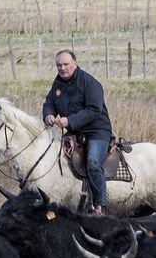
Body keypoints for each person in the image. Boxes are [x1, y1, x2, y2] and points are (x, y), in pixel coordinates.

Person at [42, 48, 111, 204]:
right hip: (74, 133)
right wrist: (49, 115)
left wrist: (69, 121)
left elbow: (94, 109)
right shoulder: (58, 83)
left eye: (66, 64)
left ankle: (100, 205)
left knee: (93, 162)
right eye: (59, 65)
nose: (62, 68)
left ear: (75, 63)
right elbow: (50, 103)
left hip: (97, 132)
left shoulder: (90, 83)